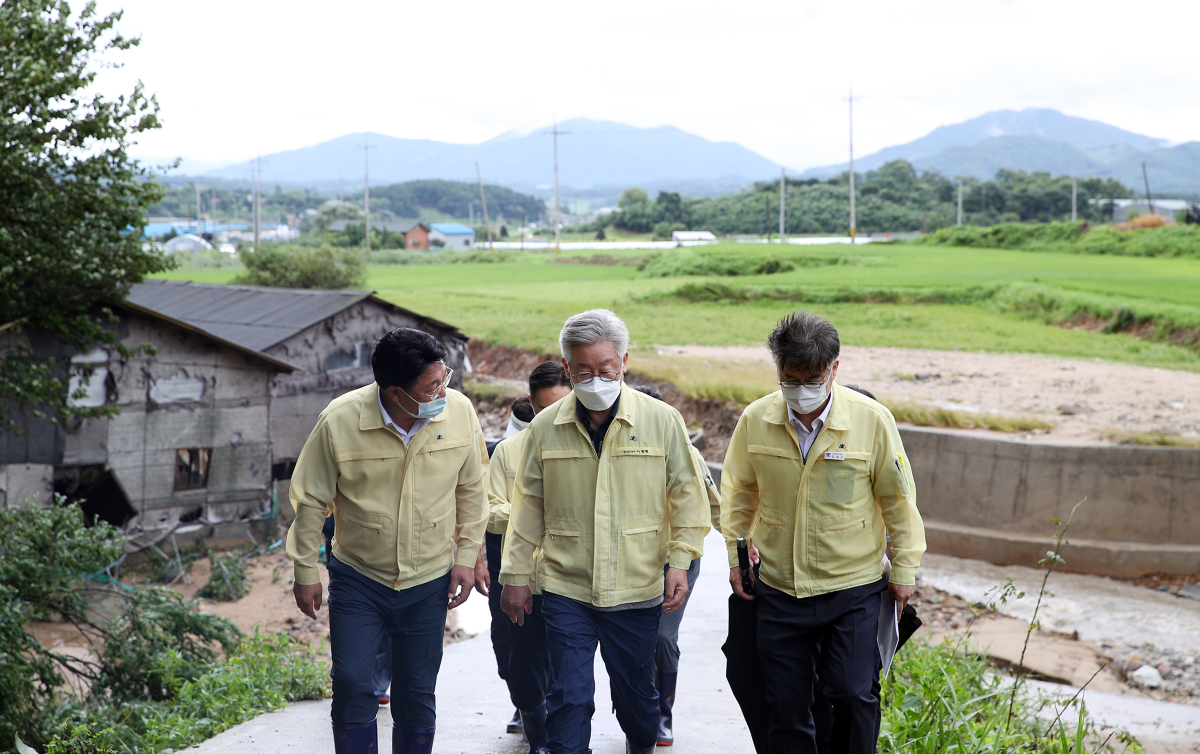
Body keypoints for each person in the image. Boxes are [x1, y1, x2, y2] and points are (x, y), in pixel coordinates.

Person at [499, 309, 710, 754]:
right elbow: (528, 506)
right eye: (583, 371)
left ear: (624, 362)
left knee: (637, 702)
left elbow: (689, 497)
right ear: (567, 367)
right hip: (566, 585)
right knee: (569, 697)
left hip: (636, 585)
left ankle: (640, 740)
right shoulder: (545, 427)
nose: (595, 380)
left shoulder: (662, 420)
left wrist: (679, 561)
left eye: (606, 369)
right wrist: (515, 576)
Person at [721, 311, 926, 754]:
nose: (801, 390)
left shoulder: (871, 420)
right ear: (778, 369)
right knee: (786, 705)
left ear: (834, 369)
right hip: (780, 587)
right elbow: (738, 491)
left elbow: (899, 500)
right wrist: (737, 556)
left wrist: (904, 570)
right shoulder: (756, 419)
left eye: (812, 380)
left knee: (853, 693)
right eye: (790, 379)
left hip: (852, 586)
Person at [286, 327, 489, 754]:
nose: (443, 392)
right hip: (359, 577)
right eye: (431, 387)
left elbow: (473, 490)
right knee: (353, 682)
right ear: (395, 392)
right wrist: (305, 571)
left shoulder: (459, 412)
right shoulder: (340, 420)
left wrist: (467, 556)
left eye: (444, 379)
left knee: (416, 690)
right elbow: (311, 500)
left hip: (429, 578)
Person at [475, 362, 573, 751]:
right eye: (545, 408)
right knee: (518, 663)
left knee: (569, 667)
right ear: (531, 404)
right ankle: (532, 717)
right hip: (521, 575)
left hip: (572, 576)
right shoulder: (508, 451)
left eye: (562, 406)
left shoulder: (589, 447)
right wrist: (535, 514)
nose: (554, 416)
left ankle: (556, 740)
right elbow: (489, 510)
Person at [629, 385, 721, 747]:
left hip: (678, 561)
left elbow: (714, 504)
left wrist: (742, 548)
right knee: (632, 639)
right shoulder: (619, 451)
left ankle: (662, 714)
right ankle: (635, 710)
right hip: (633, 559)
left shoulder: (688, 454)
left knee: (663, 637)